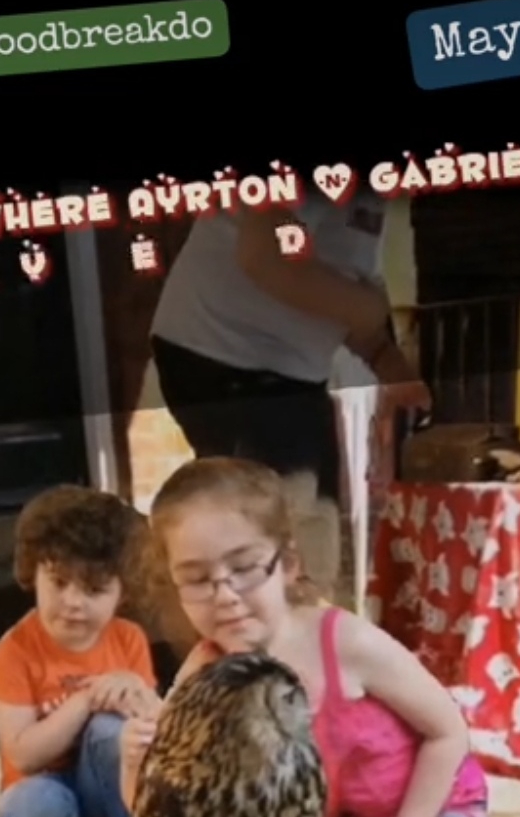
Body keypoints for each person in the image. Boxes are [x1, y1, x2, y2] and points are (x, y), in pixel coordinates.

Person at [119, 458, 515, 817]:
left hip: (421, 809)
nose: (225, 594)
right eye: (197, 579)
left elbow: (448, 733)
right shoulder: (205, 671)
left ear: (286, 561)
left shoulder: (347, 642)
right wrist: (135, 763)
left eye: (243, 567)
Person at [149, 184, 432, 599]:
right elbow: (265, 257)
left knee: (314, 533)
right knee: (288, 540)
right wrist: (367, 310)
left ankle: (306, 643)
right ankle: (280, 650)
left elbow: (341, 270)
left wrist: (389, 362)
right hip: (227, 357)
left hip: (280, 370)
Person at [0, 486, 163, 817]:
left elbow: (157, 731)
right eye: (59, 582)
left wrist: (137, 694)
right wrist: (84, 699)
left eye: (94, 589)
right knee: (36, 814)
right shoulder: (14, 652)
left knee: (114, 726)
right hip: (43, 797)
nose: (72, 602)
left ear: (123, 592)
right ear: (34, 573)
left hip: (108, 799)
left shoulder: (128, 640)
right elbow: (24, 754)